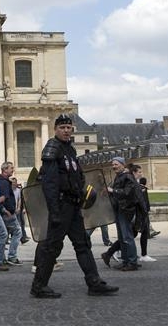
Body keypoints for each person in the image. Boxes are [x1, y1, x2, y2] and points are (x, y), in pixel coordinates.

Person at [30, 114, 118, 299]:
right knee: (52, 247)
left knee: (83, 244)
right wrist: (54, 211)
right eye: (62, 127)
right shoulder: (53, 148)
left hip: (73, 205)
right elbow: (49, 183)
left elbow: (76, 177)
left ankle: (94, 283)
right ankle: (39, 286)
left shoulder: (70, 150)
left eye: (68, 127)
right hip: (61, 206)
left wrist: (82, 193)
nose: (66, 130)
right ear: (55, 129)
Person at [106, 157, 141, 271]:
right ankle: (125, 261)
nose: (114, 166)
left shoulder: (127, 176)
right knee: (122, 237)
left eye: (116, 164)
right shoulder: (120, 176)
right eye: (113, 164)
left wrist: (113, 191)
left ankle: (132, 262)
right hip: (120, 209)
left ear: (123, 165)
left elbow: (128, 193)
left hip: (125, 210)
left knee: (127, 237)